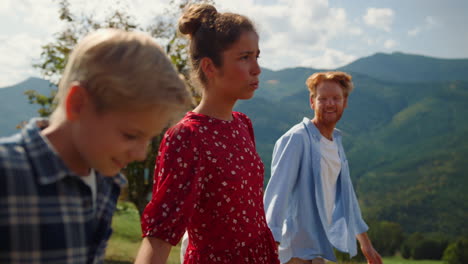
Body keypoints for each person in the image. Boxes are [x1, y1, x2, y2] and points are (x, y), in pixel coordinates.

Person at [0, 28, 191, 264]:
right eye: (131, 135)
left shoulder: (105, 182)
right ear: (78, 103)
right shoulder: (7, 172)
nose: (141, 154)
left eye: (149, 139)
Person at [135, 4, 279, 264]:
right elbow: (160, 235)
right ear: (210, 67)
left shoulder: (242, 124)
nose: (256, 68)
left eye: (257, 56)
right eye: (245, 57)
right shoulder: (188, 136)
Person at [263, 71, 383, 264]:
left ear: (345, 102)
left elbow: (348, 197)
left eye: (336, 98)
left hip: (319, 247)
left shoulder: (336, 141)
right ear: (312, 102)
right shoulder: (297, 138)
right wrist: (269, 248)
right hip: (293, 252)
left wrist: (366, 245)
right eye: (323, 98)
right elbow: (277, 194)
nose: (330, 104)